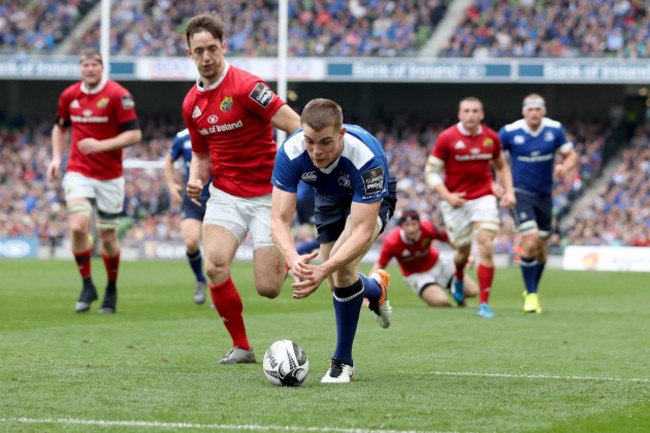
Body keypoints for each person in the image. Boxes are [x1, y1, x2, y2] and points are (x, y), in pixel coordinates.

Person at [182, 12, 301, 364]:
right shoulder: (191, 104)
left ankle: (297, 255)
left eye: (212, 49)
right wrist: (196, 177)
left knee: (268, 288)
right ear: (189, 53)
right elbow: (201, 154)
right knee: (215, 264)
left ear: (223, 47)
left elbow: (294, 125)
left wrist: (299, 173)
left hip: (269, 195)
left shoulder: (247, 86)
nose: (206, 57)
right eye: (198, 50)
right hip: (226, 195)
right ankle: (242, 347)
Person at [271, 98, 397, 383]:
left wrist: (323, 268)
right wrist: (292, 258)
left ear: (341, 134)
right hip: (328, 196)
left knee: (340, 272)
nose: (316, 151)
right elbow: (279, 220)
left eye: (326, 142)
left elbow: (363, 230)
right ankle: (376, 289)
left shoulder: (366, 159)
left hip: (370, 196)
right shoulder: (290, 152)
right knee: (336, 283)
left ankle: (343, 362)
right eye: (310, 141)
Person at [47, 48, 142, 314]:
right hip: (78, 170)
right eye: (85, 65)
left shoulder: (117, 95)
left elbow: (134, 135)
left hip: (110, 176)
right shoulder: (69, 95)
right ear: (80, 68)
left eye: (94, 64)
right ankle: (87, 285)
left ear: (102, 67)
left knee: (107, 237)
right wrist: (56, 158)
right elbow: (60, 126)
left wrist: (101, 145)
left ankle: (111, 287)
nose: (89, 69)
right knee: (77, 226)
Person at [424, 96, 515, 318]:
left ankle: (483, 303)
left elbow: (501, 167)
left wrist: (509, 191)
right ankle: (458, 275)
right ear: (460, 114)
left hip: (484, 198)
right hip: (457, 202)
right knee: (462, 253)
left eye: (475, 111)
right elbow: (430, 172)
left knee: (485, 243)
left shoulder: (491, 138)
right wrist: (447, 196)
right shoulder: (447, 138)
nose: (471, 115)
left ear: (481, 115)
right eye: (466, 111)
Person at [498, 93, 578, 313]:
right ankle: (531, 295)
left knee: (542, 250)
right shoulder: (510, 132)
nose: (534, 113)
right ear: (524, 111)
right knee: (531, 240)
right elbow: (493, 156)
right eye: (530, 109)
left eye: (538, 109)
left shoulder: (555, 130)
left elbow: (571, 156)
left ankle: (532, 289)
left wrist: (565, 167)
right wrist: (500, 186)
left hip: (544, 195)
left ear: (544, 111)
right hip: (520, 194)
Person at [370, 209, 478, 307]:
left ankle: (454, 291)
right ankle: (439, 292)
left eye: (414, 224)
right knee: (442, 302)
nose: (411, 229)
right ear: (401, 226)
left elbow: (448, 238)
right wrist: (369, 290)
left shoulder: (428, 227)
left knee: (473, 291)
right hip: (416, 275)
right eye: (407, 225)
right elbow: (380, 265)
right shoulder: (392, 241)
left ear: (419, 224)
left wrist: (465, 256)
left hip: (437, 264)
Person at [164, 128, 209, 305]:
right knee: (191, 242)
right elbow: (169, 159)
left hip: (217, 197)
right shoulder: (182, 137)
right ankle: (200, 279)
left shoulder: (219, 129)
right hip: (192, 199)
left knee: (214, 250)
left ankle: (218, 289)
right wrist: (171, 185)